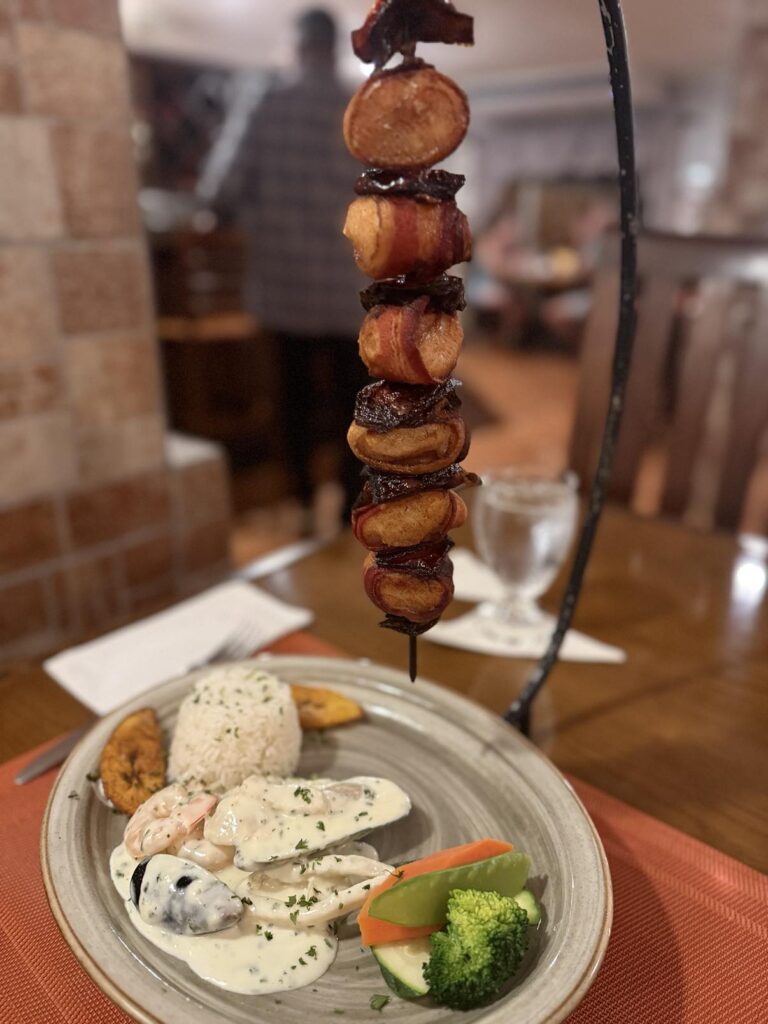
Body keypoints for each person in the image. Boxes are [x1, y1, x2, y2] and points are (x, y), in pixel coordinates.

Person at [207, 9, 367, 531]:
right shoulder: (360, 109)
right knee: (355, 406)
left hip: (284, 291)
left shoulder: (266, 104)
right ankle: (349, 508)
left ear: (295, 48)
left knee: (293, 403)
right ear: (334, 48)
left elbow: (221, 190)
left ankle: (301, 506)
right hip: (350, 291)